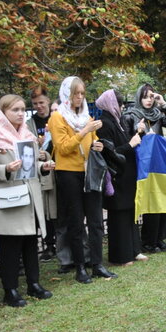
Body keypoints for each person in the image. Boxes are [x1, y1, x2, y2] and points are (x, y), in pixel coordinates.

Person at [0, 94, 55, 306]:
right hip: (8, 200)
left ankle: (34, 284)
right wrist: (5, 169)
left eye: (22, 109)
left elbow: (30, 166)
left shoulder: (26, 134)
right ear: (3, 113)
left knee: (31, 243)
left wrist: (42, 167)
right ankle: (10, 291)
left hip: (29, 198)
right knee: (10, 248)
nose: (21, 114)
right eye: (15, 110)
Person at [47, 76, 117, 284]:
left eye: (82, 94)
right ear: (66, 95)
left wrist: (98, 144)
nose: (79, 97)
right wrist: (84, 132)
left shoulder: (86, 117)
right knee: (76, 222)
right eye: (75, 94)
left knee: (96, 221)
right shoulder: (57, 118)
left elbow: (93, 139)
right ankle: (80, 267)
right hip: (69, 174)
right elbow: (62, 147)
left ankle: (97, 264)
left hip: (90, 171)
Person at [121, 84, 166, 253]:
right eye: (145, 97)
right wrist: (140, 132)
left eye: (151, 96)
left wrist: (164, 104)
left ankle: (160, 238)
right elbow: (127, 140)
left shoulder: (157, 114)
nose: (148, 100)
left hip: (159, 162)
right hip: (143, 163)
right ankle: (148, 240)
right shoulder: (131, 115)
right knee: (150, 201)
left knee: (162, 200)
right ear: (139, 97)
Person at [95, 89, 147, 266]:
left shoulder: (118, 121)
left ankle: (134, 249)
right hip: (117, 175)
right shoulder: (104, 123)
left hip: (127, 174)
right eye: (119, 103)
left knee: (130, 211)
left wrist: (138, 133)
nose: (122, 106)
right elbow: (110, 152)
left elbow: (127, 144)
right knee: (119, 215)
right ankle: (121, 255)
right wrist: (130, 143)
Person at [27, 87, 57, 261]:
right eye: (35, 104)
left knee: (56, 209)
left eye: (41, 103)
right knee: (44, 210)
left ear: (48, 102)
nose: (39, 106)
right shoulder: (29, 124)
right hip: (41, 172)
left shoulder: (56, 119)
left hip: (58, 167)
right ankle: (48, 245)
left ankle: (59, 242)